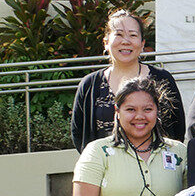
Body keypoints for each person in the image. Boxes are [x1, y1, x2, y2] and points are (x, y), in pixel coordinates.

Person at [72, 9, 184, 152]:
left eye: (133, 35)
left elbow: (177, 128)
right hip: (106, 169)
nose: (126, 41)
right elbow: (78, 134)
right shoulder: (89, 85)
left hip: (157, 166)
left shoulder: (162, 79)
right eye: (118, 34)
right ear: (106, 42)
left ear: (142, 43)